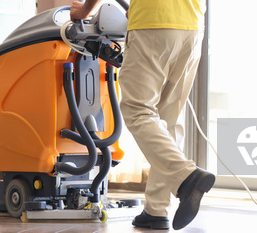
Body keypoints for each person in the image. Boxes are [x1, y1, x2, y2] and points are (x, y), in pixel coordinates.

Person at [70, 0, 215, 230]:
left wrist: (85, 10)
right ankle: (156, 210)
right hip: (193, 25)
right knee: (168, 120)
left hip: (154, 20)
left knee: (137, 109)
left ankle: (186, 178)